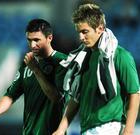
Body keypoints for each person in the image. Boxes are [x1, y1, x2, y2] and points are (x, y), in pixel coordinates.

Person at [53, 3, 140, 135]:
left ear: (100, 28)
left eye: (85, 31)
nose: (80, 37)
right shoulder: (82, 59)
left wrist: (128, 131)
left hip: (111, 128)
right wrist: (61, 128)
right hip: (86, 129)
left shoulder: (120, 56)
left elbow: (135, 93)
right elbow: (76, 98)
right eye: (79, 32)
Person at [0, 18, 68, 135]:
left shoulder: (62, 61)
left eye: (37, 40)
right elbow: (11, 94)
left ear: (49, 38)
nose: (32, 45)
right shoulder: (27, 63)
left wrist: (36, 70)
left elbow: (56, 97)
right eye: (29, 40)